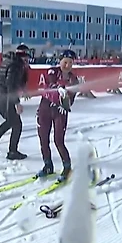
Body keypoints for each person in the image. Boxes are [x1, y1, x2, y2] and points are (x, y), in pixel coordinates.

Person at [36, 49, 79, 182]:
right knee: (43, 139)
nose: (67, 65)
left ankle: (67, 167)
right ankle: (48, 165)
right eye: (65, 62)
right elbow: (49, 83)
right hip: (45, 109)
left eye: (70, 63)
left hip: (60, 112)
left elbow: (70, 99)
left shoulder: (74, 79)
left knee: (58, 141)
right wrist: (58, 88)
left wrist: (65, 102)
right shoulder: (52, 71)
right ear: (60, 61)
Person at [0, 44, 30, 160]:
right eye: (27, 57)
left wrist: (24, 89)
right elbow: (11, 84)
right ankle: (5, 147)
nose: (28, 60)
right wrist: (16, 103)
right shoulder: (16, 65)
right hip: (4, 98)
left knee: (12, 122)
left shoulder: (10, 61)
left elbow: (14, 80)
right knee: (16, 123)